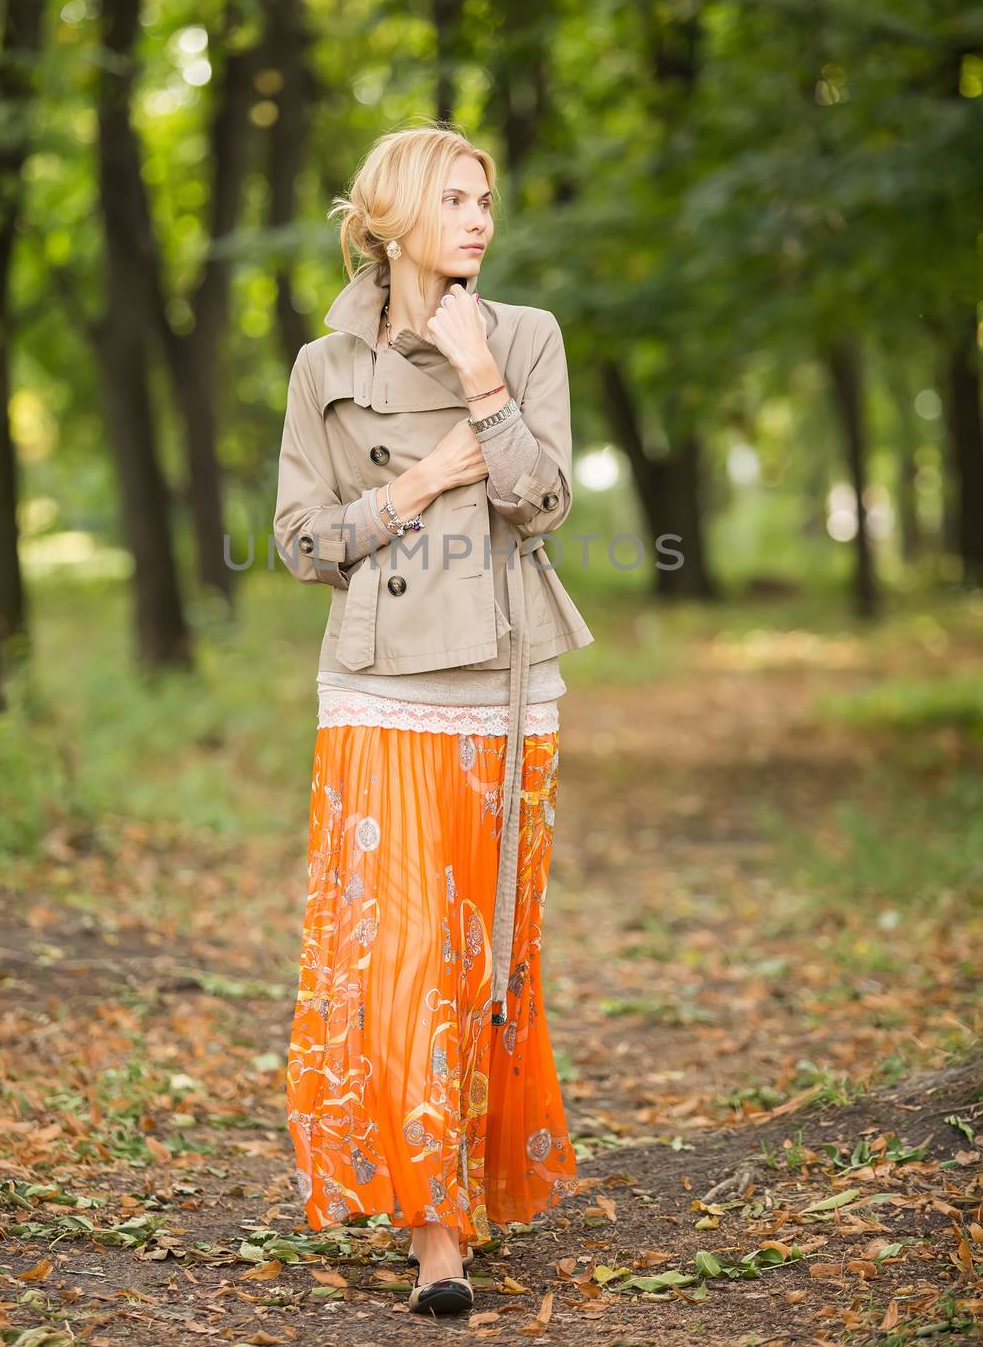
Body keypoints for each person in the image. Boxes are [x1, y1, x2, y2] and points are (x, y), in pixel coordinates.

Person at [273, 121, 594, 1317]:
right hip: (380, 685)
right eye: (454, 198)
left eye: (487, 199)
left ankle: (463, 1193)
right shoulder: (323, 366)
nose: (478, 219)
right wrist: (414, 484)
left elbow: (543, 501)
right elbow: (303, 543)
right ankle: (434, 1238)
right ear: (395, 214)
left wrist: (482, 381)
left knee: (484, 958)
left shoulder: (525, 337)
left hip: (507, 683)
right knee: (400, 959)